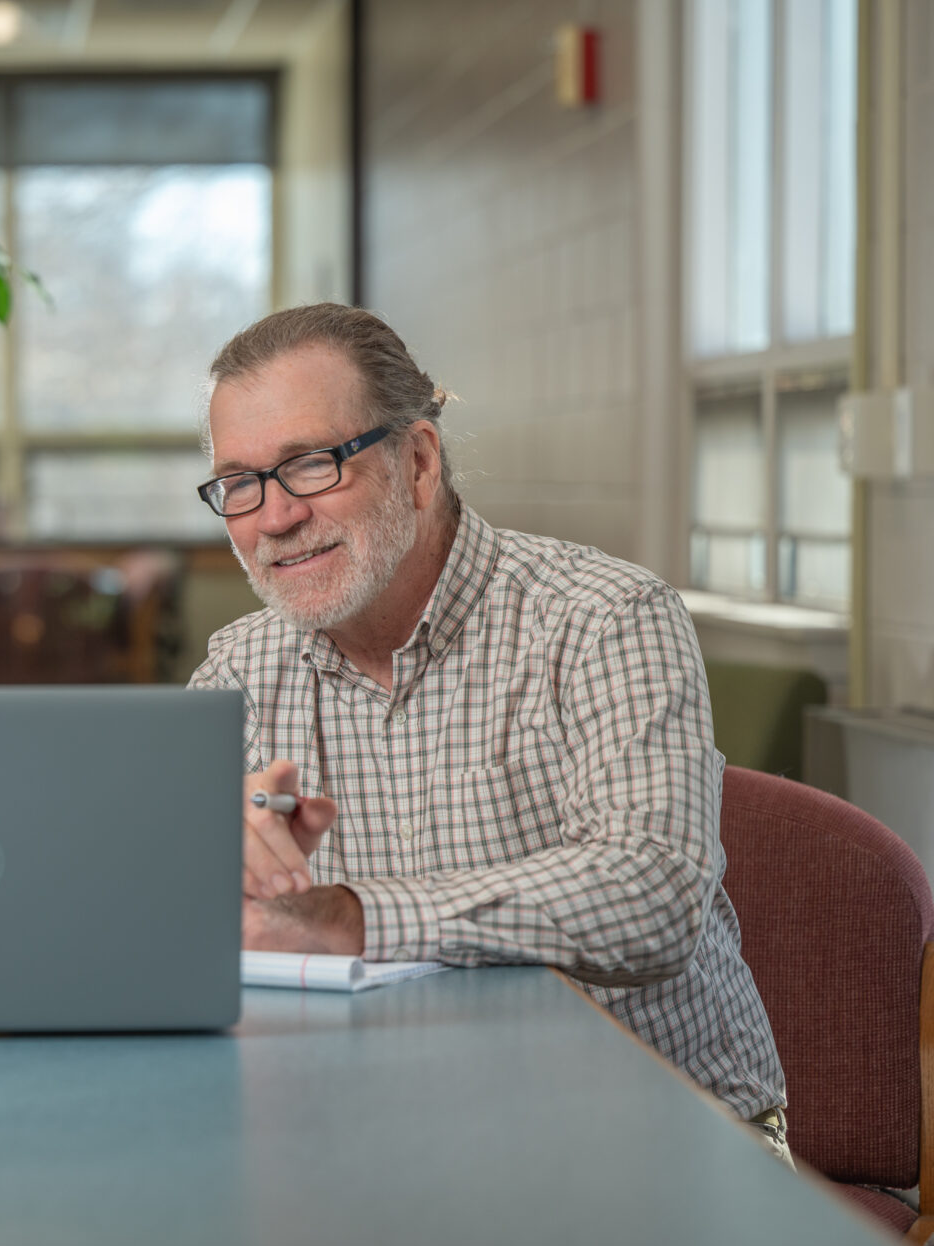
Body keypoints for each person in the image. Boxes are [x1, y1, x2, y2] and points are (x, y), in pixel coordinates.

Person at [188, 303, 791, 1162]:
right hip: (376, 1142)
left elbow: (654, 892)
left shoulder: (605, 619)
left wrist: (350, 919)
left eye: (310, 465)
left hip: (653, 1135)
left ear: (420, 461)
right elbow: (181, 925)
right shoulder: (237, 672)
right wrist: (219, 883)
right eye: (239, 483)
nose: (272, 518)